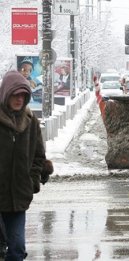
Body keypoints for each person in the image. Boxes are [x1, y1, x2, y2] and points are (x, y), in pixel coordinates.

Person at [0, 70, 53, 261]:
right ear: (6, 94)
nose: (19, 99)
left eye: (23, 95)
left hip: (18, 198)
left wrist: (32, 182)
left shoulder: (31, 122)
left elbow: (39, 156)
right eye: (15, 94)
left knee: (17, 249)